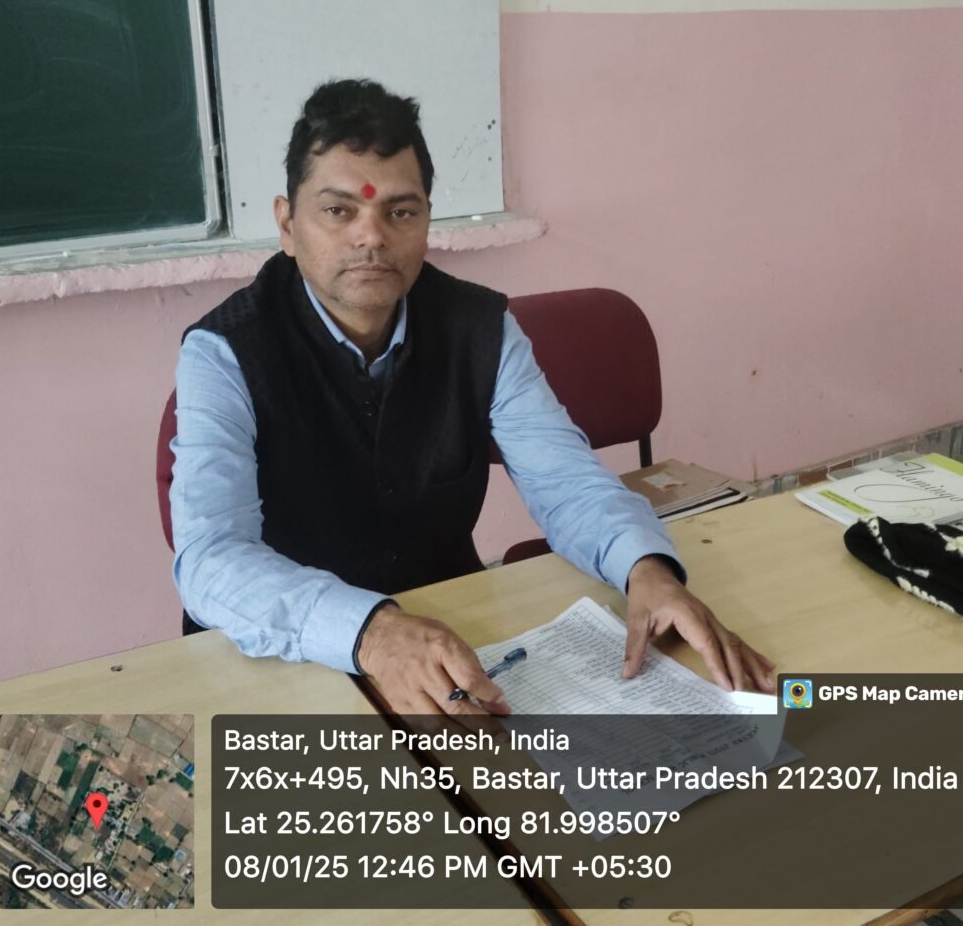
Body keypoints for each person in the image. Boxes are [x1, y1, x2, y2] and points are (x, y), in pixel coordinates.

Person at [171, 78, 774, 715]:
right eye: (339, 211)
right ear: (288, 225)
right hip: (283, 666)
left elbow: (565, 482)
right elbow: (211, 558)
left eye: (400, 212)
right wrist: (371, 634)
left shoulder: (480, 329)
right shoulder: (223, 352)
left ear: (427, 223)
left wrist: (645, 568)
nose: (372, 237)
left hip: (455, 641)